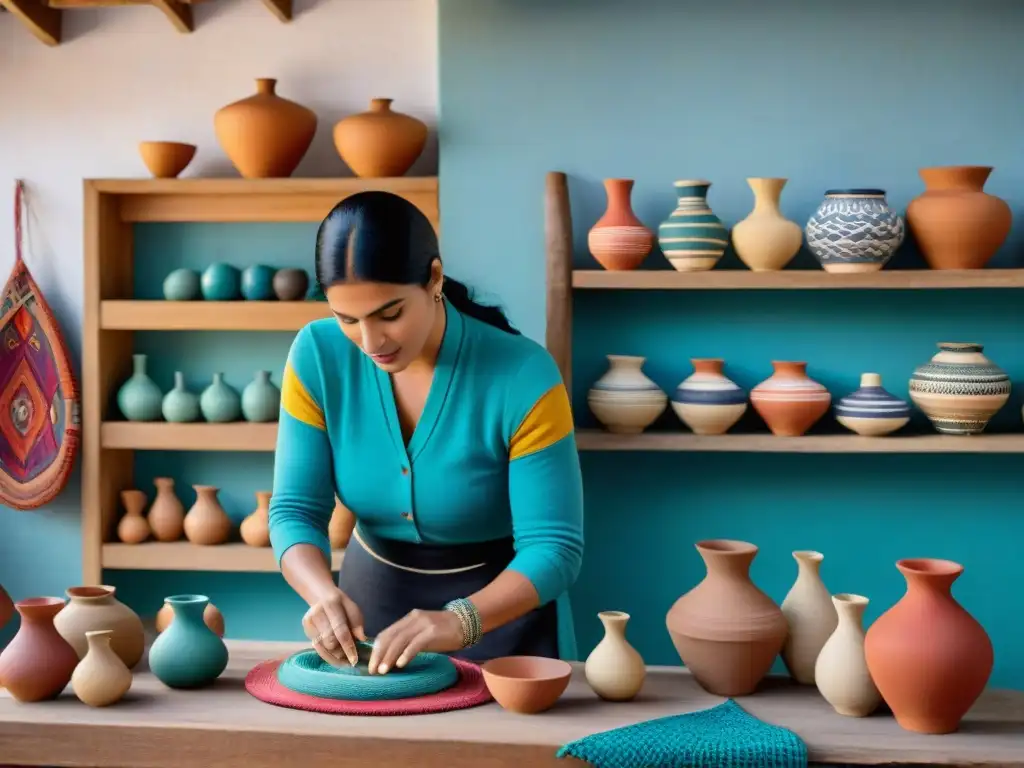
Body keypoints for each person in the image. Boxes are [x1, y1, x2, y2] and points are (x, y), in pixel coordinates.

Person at [268, 190, 584, 675]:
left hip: (504, 620)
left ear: (434, 278)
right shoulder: (316, 355)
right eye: (347, 319)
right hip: (369, 613)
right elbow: (294, 510)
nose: (371, 342)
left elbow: (555, 549)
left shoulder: (524, 375)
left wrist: (462, 621)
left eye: (390, 314)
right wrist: (322, 593)